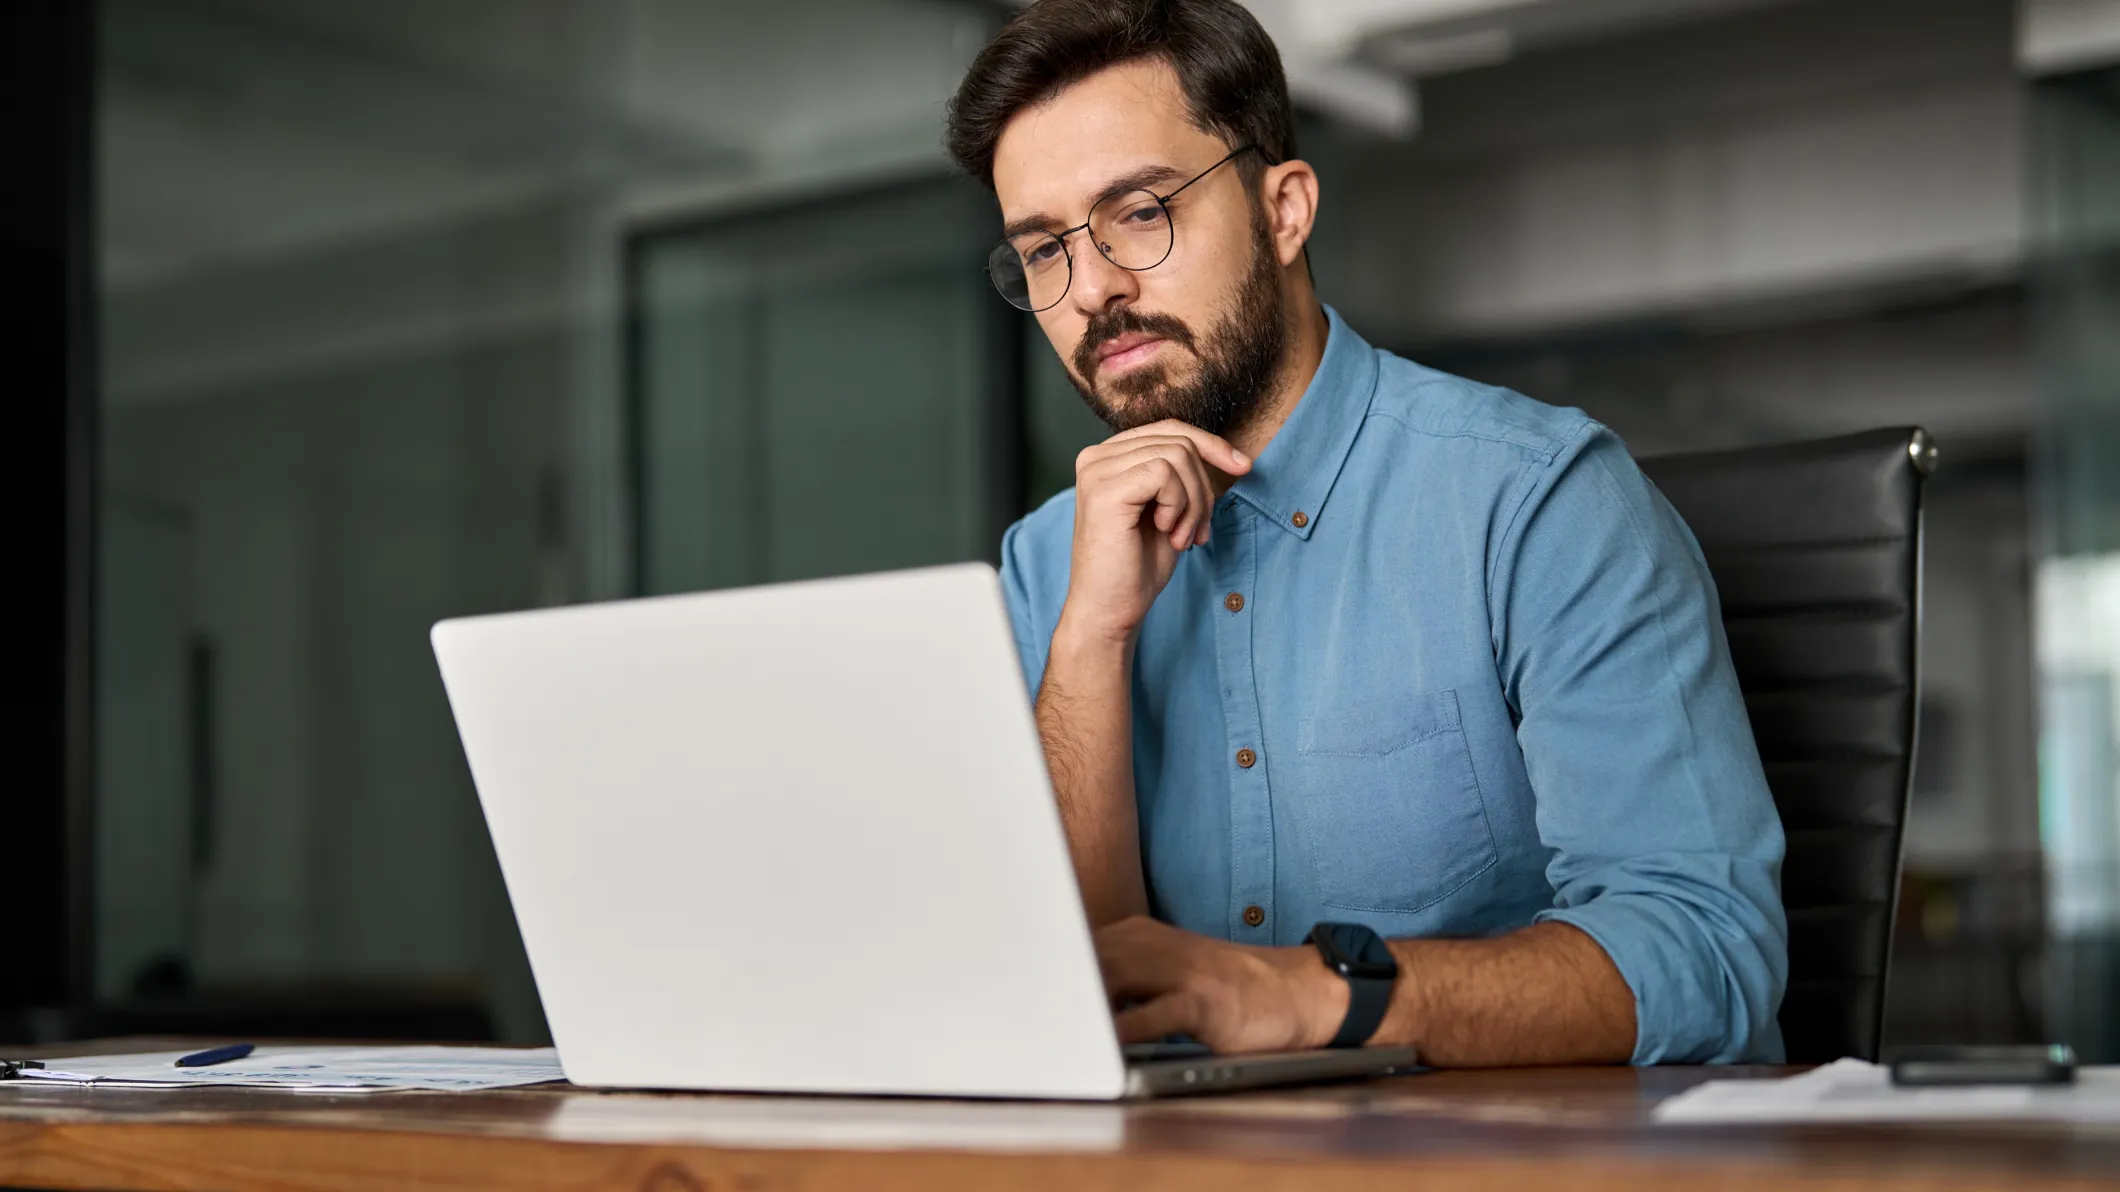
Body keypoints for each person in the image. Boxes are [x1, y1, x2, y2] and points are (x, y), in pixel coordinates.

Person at [947, 0, 1787, 1065]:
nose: (1094, 289)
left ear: (1285, 209)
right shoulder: (1045, 565)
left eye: (1141, 213)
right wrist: (1090, 644)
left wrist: (1311, 993)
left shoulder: (1536, 500)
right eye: (1044, 250)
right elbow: (1062, 987)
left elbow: (1708, 951)